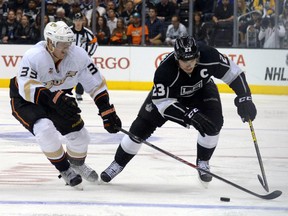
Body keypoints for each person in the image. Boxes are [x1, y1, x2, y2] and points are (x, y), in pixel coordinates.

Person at [100, 36, 257, 184]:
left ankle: (203, 162)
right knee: (139, 129)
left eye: (192, 58)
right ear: (176, 58)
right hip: (170, 97)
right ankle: (118, 163)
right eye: (184, 60)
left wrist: (245, 96)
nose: (189, 64)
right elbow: (162, 103)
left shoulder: (210, 55)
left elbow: (234, 73)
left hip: (202, 90)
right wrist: (188, 115)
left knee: (214, 124)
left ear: (198, 55)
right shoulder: (165, 71)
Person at [9, 21, 122, 188]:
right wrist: (54, 99)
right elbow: (27, 87)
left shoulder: (78, 56)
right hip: (26, 100)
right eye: (62, 44)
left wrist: (106, 110)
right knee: (44, 128)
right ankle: (65, 168)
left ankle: (77, 164)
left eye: (69, 43)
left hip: (57, 98)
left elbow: (95, 83)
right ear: (49, 42)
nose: (66, 48)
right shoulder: (33, 56)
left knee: (81, 136)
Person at [70, 12, 98, 101]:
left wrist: (89, 55)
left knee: (81, 75)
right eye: (76, 20)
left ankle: (78, 93)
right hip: (69, 58)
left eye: (80, 20)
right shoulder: (68, 31)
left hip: (82, 59)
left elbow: (95, 43)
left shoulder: (87, 32)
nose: (78, 22)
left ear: (83, 21)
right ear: (73, 21)